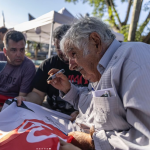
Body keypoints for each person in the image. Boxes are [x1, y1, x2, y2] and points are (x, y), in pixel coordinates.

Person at [46, 16, 150, 150]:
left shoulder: (134, 60)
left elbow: (145, 139)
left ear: (96, 42)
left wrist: (92, 143)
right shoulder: (102, 68)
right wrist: (68, 89)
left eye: (74, 54)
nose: (70, 66)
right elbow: (96, 106)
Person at [17, 25, 88, 120]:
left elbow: (97, 97)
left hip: (83, 117)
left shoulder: (87, 63)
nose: (64, 53)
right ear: (54, 45)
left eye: (68, 48)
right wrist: (26, 100)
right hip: (52, 114)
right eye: (59, 48)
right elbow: (38, 94)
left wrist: (85, 111)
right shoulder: (48, 64)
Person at [0, 30, 36, 109]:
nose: (19, 54)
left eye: (22, 50)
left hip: (12, 104)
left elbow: (21, 99)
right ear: (5, 51)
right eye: (14, 50)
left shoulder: (28, 67)